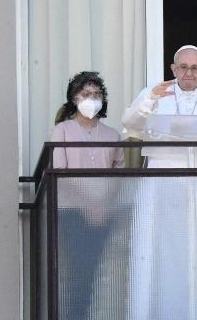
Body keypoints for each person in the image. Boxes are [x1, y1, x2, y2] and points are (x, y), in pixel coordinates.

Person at [121, 45, 197, 319]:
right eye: (183, 67)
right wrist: (150, 100)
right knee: (166, 255)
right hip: (166, 186)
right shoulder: (154, 93)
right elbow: (130, 127)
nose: (188, 73)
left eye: (194, 68)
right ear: (173, 69)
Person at [50, 71, 124, 320]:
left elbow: (119, 174)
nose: (92, 99)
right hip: (72, 212)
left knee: (96, 272)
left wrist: (104, 206)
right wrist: (88, 205)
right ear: (74, 98)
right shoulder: (63, 130)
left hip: (104, 214)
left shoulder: (112, 134)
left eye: (96, 94)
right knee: (76, 273)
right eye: (86, 94)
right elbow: (60, 170)